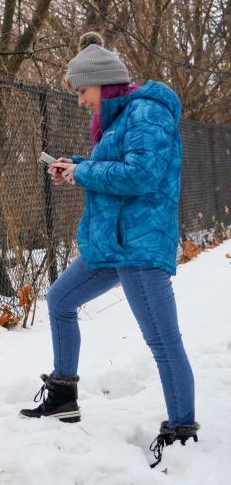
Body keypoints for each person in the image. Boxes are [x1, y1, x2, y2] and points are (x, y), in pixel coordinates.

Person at [20, 32, 198, 468]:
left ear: (102, 83)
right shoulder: (120, 119)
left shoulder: (146, 112)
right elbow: (115, 165)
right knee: (60, 299)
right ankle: (63, 395)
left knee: (161, 339)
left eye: (82, 91)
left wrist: (84, 172)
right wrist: (78, 166)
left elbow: (142, 175)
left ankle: (182, 428)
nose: (81, 101)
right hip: (111, 244)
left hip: (137, 244)